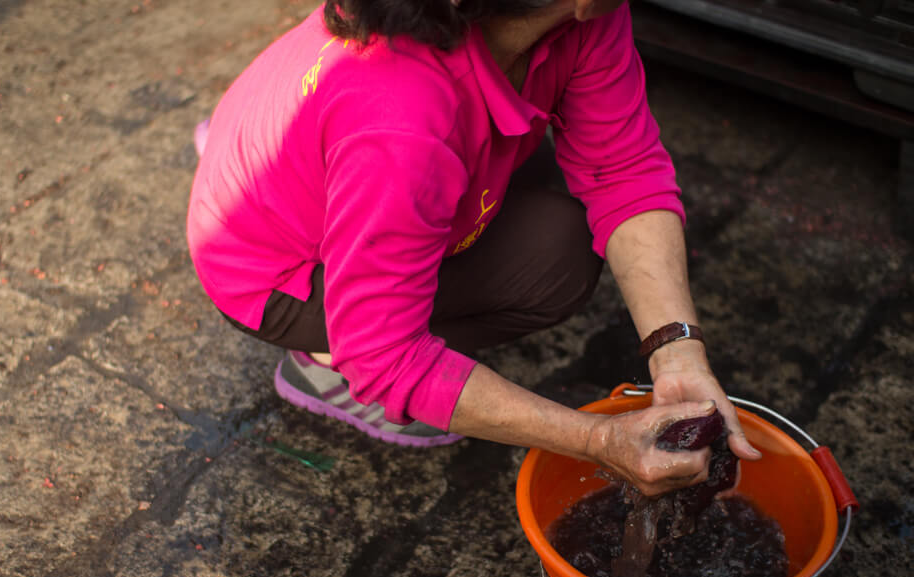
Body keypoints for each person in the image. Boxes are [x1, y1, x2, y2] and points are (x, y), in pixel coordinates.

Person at [187, 0, 763, 496]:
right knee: (556, 265)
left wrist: (677, 351)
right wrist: (598, 440)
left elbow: (622, 165)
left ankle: (312, 183)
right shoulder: (403, 116)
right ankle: (325, 365)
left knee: (547, 183)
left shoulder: (576, 15)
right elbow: (387, 355)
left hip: (335, 147)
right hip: (273, 271)